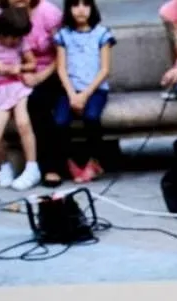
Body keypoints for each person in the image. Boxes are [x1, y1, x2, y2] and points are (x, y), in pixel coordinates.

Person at [0, 0, 63, 186]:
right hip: (4, 80)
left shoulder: (48, 13)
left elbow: (63, 52)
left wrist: (39, 76)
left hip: (45, 73)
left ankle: (49, 167)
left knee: (36, 104)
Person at [53, 0, 115, 183]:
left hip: (94, 90)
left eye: (85, 5)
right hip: (69, 90)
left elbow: (104, 70)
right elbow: (61, 69)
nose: (81, 10)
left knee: (91, 117)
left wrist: (85, 94)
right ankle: (70, 162)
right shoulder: (63, 35)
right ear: (68, 9)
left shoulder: (102, 34)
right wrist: (72, 94)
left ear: (92, 8)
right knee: (60, 121)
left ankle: (94, 161)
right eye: (75, 5)